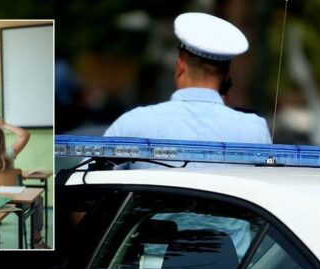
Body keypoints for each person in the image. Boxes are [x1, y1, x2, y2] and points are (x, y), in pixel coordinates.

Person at [104, 12, 271, 168]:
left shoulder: (132, 124)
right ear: (227, 76)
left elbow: (89, 181)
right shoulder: (255, 131)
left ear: (180, 67)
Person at [0, 115, 48, 249]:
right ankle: (37, 240)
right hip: (15, 201)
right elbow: (25, 135)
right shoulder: (8, 154)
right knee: (38, 200)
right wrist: (3, 124)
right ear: (1, 140)